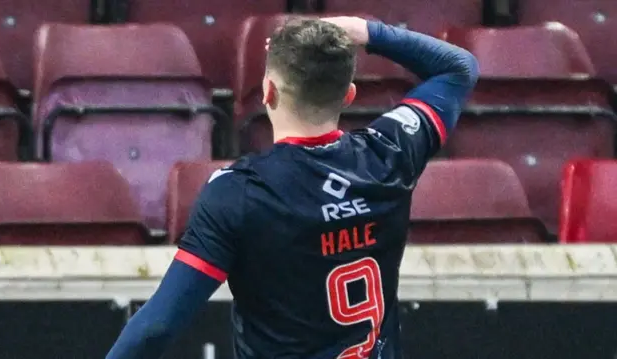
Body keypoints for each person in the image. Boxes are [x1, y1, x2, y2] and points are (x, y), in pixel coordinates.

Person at [106, 16, 479, 359]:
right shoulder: (391, 152)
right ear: (348, 95)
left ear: (267, 92)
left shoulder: (239, 192)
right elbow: (459, 67)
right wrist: (367, 32)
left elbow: (156, 327)